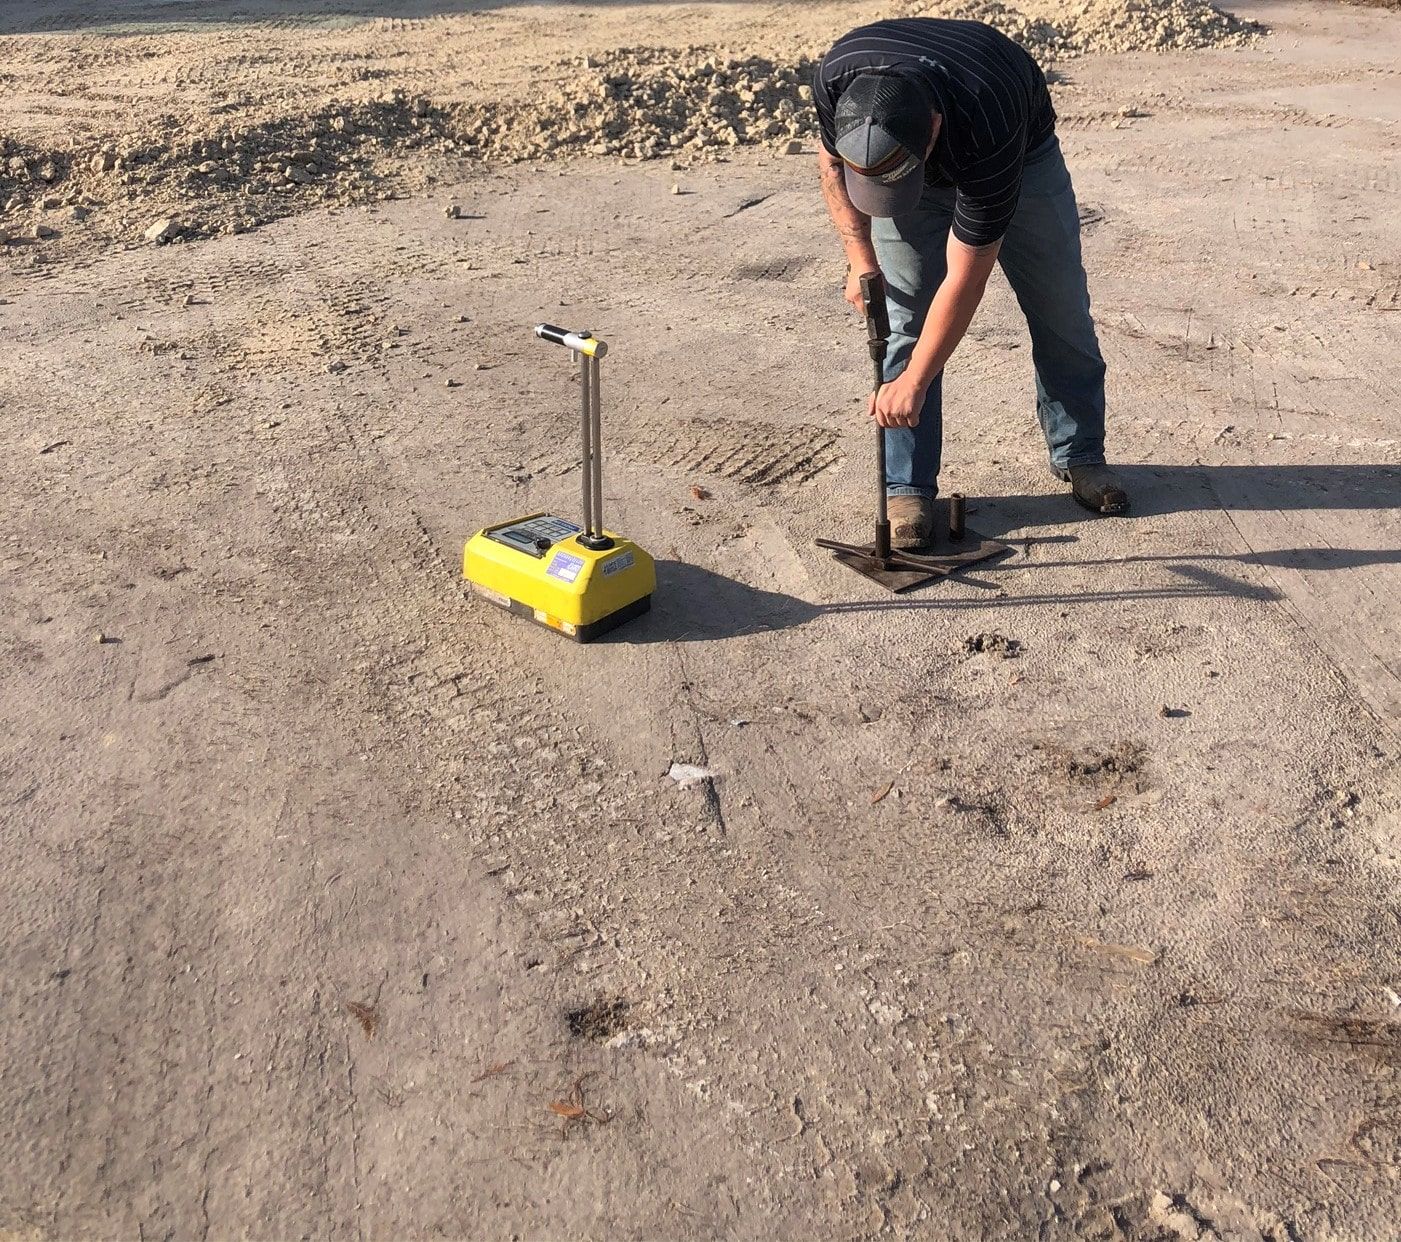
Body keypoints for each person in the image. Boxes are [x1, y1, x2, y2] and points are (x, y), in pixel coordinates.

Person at [813, 17, 1129, 545]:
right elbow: (830, 164)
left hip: (1021, 161)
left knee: (1060, 311)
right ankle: (906, 487)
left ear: (933, 126)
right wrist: (859, 256)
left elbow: (965, 280)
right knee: (903, 321)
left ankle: (1081, 454)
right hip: (918, 140)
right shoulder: (840, 81)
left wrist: (913, 384)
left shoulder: (987, 118)